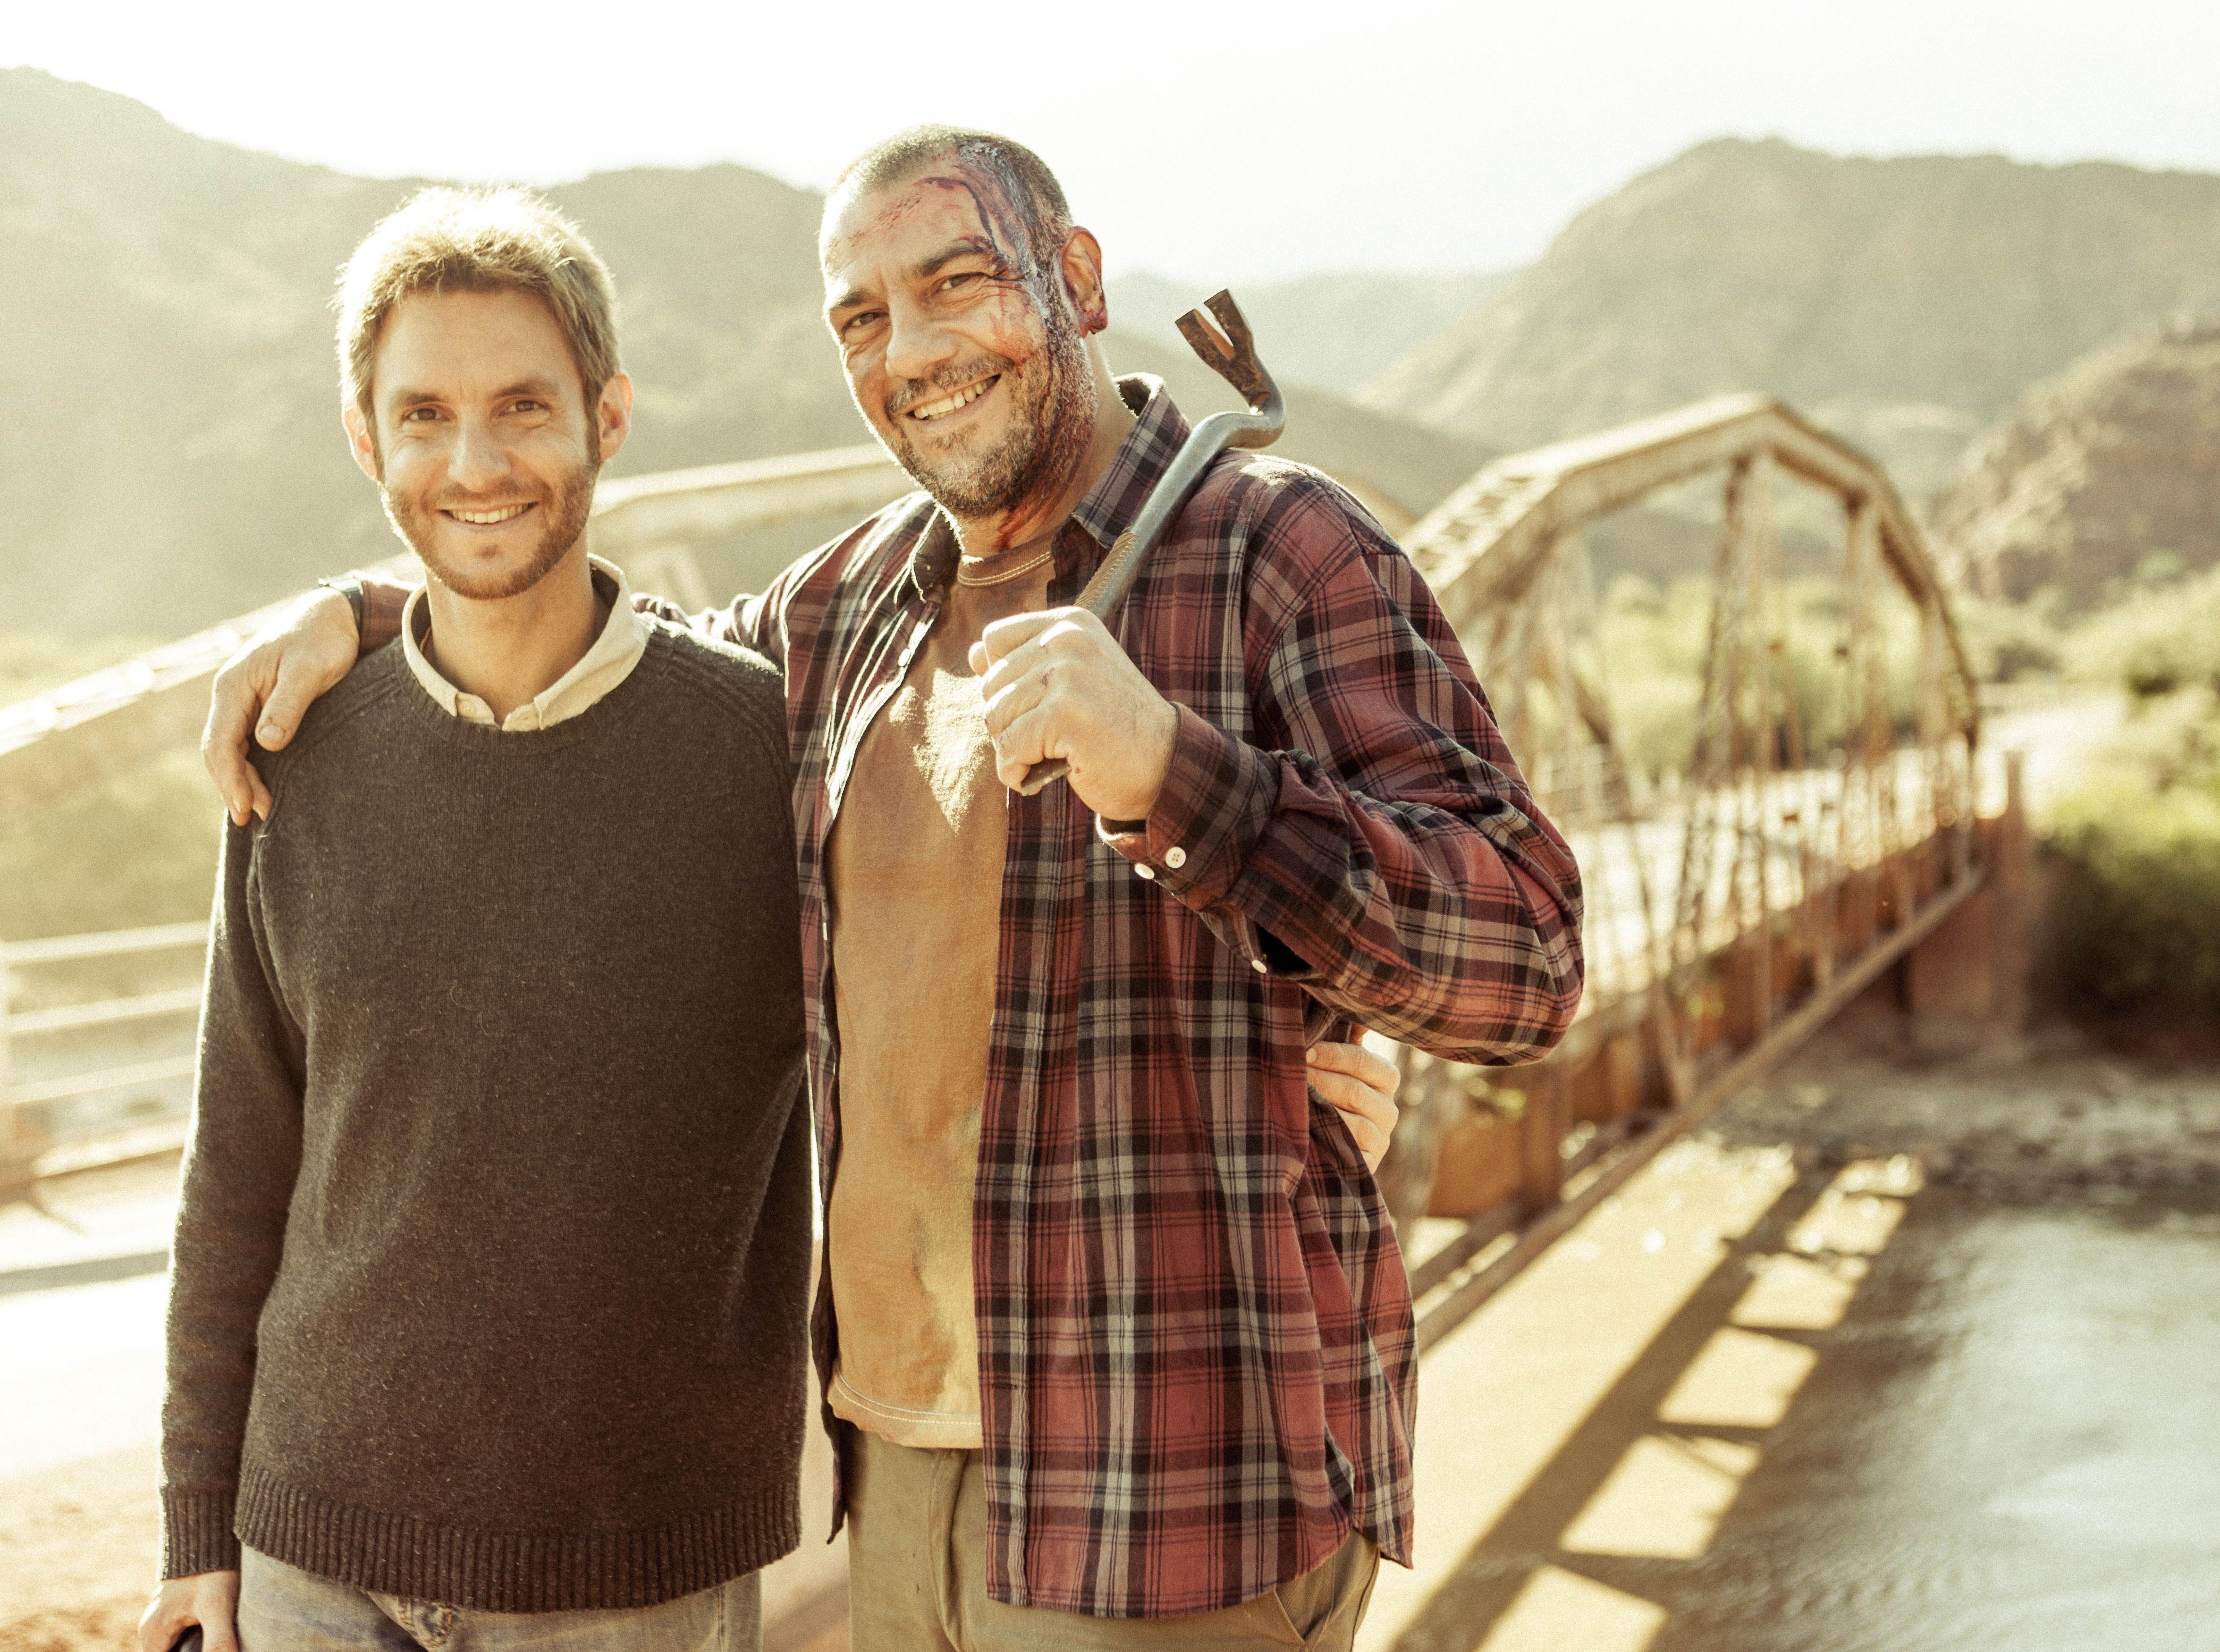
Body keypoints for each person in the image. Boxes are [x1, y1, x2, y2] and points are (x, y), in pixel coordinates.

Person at [203, 128, 1581, 1651]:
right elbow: (597, 661)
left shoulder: (1284, 552)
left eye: (957, 284)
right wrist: (375, 604)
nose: (912, 348)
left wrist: (1184, 777)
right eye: (862, 317)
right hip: (899, 1466)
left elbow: (1527, 951)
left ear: (1076, 279)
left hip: (1178, 1479)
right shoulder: (848, 604)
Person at [138, 188, 814, 1652]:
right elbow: (237, 1166)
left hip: (636, 1570)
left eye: (523, 406)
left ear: (608, 416)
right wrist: (201, 1525)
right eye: (426, 415)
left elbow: (942, 1052)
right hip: (313, 1550)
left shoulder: (765, 756)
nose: (477, 461)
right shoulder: (297, 752)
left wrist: (1312, 1040)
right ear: (366, 438)